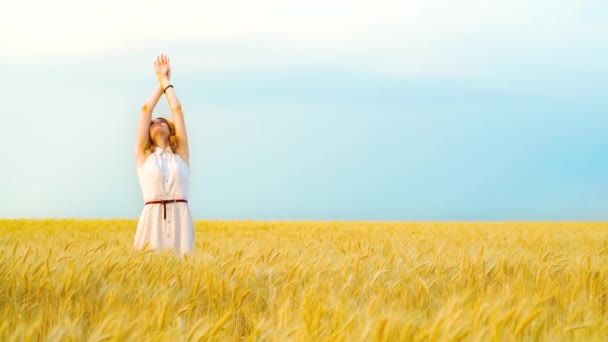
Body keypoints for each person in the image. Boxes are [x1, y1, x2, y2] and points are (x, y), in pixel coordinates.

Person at [133, 54, 194, 256]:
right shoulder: (144, 156)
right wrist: (160, 82)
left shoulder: (181, 155)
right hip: (152, 224)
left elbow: (176, 109)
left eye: (161, 121)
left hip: (180, 225)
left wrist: (166, 81)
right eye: (152, 123)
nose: (155, 122)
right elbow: (145, 109)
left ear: (171, 129)